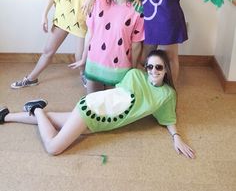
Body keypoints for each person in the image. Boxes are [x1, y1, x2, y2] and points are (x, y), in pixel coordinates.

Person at [1, 50, 195, 159]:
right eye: (149, 66)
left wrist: (176, 136)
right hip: (94, 108)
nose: (153, 70)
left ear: (166, 70)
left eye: (158, 67)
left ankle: (5, 116)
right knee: (53, 147)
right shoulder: (136, 75)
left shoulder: (167, 95)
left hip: (99, 123)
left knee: (53, 120)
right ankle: (37, 108)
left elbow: (168, 117)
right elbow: (117, 96)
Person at [68, 0, 144, 93]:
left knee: (111, 110)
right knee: (93, 106)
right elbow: (90, 34)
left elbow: (136, 44)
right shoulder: (98, 3)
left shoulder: (136, 10)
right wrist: (83, 59)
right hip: (94, 64)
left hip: (119, 68)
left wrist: (133, 68)